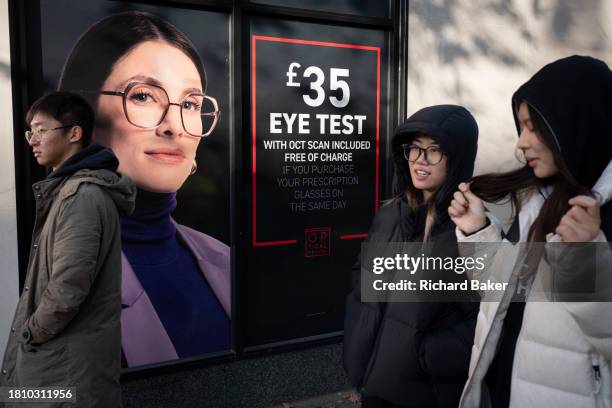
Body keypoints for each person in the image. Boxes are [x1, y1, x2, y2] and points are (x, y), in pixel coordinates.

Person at [57, 11, 230, 367]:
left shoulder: (225, 261)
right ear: (82, 118)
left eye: (190, 104)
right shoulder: (53, 266)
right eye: (144, 96)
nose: (174, 126)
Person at [448, 55, 612, 408]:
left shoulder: (599, 219)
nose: (520, 144)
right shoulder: (540, 203)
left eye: (532, 127)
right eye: (520, 127)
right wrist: (477, 231)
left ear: (576, 123)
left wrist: (585, 261)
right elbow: (502, 295)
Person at [0, 92, 135, 407]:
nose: (32, 140)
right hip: (61, 361)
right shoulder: (67, 190)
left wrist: (31, 334)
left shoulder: (80, 197)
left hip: (63, 368)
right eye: (29, 132)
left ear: (74, 133)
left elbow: (68, 288)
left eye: (41, 130)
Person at [343, 105, 480, 407]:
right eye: (414, 149)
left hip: (423, 393)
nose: (420, 160)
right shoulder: (390, 213)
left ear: (456, 159)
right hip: (374, 385)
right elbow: (362, 278)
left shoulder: (470, 229)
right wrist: (358, 332)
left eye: (434, 150)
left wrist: (425, 356)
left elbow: (483, 318)